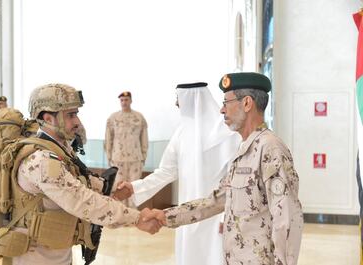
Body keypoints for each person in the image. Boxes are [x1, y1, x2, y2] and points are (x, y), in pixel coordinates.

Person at [153, 72, 304, 265]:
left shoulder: (270, 149)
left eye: (227, 102)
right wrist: (165, 216)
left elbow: (288, 218)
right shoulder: (244, 149)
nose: (222, 110)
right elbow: (216, 200)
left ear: (247, 103)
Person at [9, 84, 161, 265]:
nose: (77, 122)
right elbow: (82, 200)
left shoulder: (59, 150)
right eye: (70, 115)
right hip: (35, 257)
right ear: (49, 118)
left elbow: (80, 178)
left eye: (76, 114)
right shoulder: (41, 160)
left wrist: (112, 188)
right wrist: (137, 218)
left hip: (56, 252)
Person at [114, 82, 241, 265]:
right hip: (186, 212)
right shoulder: (182, 133)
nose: (176, 105)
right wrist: (134, 187)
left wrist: (225, 216)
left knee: (215, 255)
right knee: (190, 255)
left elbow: (235, 182)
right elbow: (166, 171)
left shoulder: (228, 134)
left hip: (216, 214)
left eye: (179, 101)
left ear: (193, 101)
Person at [104, 91, 148, 207]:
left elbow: (144, 138)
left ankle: (133, 214)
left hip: (135, 157)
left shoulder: (139, 117)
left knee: (134, 186)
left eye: (126, 100)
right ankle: (120, 213)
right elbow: (109, 138)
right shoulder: (113, 118)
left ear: (131, 100)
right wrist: (109, 155)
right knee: (118, 186)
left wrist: (144, 155)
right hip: (118, 157)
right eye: (122, 100)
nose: (124, 102)